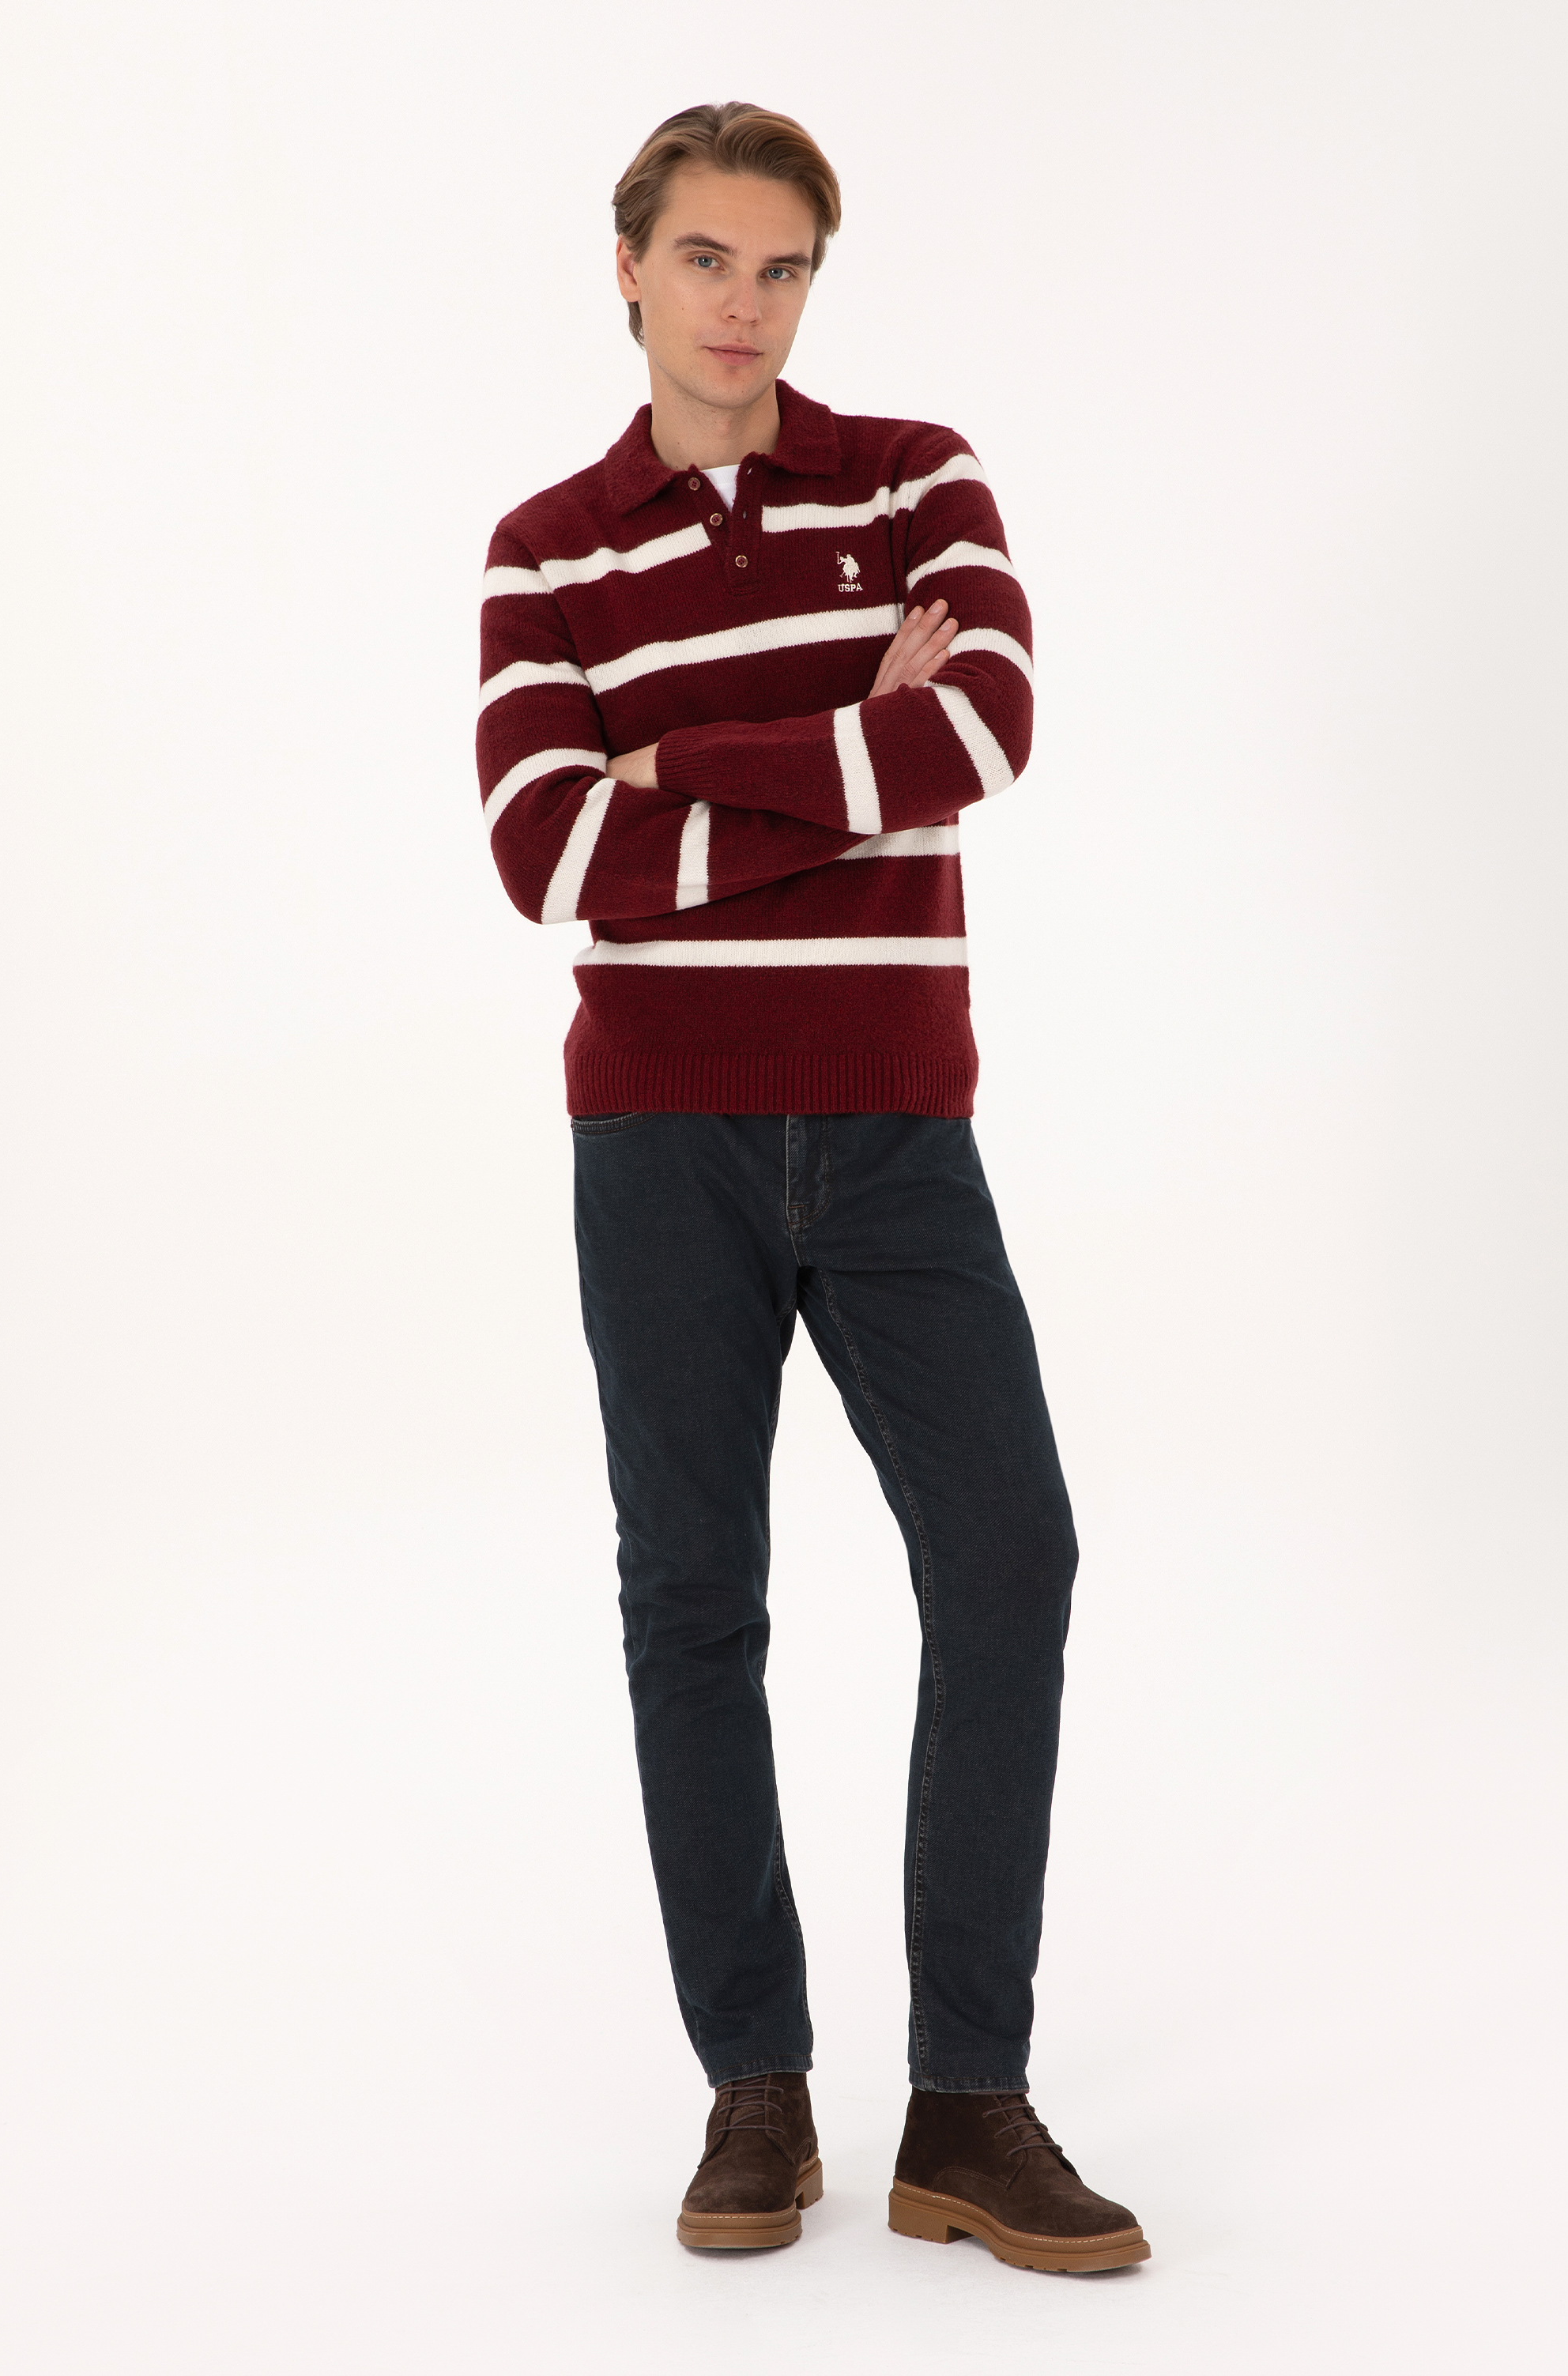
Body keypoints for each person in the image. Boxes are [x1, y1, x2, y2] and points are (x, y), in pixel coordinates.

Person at [476, 100, 1149, 2275]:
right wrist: (844, 748)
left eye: (781, 269)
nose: (743, 307)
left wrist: (680, 761)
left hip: (893, 1129)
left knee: (1010, 1555)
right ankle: (753, 2093)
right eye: (705, 259)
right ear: (629, 268)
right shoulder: (545, 550)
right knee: (693, 1599)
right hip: (656, 1139)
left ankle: (968, 2105)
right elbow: (545, 854)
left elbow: (985, 732)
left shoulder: (916, 481)